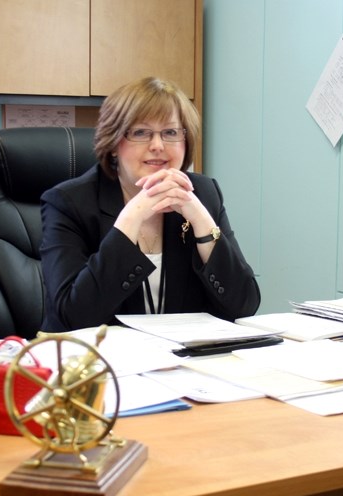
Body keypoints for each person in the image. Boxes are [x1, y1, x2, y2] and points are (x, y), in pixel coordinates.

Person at [39, 76, 261, 332]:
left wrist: (202, 221)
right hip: (93, 364)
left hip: (178, 363)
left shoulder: (203, 193)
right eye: (141, 133)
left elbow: (244, 305)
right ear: (113, 144)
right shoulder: (69, 203)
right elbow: (74, 316)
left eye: (170, 132)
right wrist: (131, 218)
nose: (157, 146)